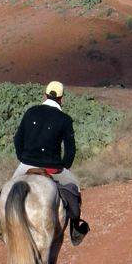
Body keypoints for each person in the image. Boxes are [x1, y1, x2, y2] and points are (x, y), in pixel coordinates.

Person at [12, 81, 89, 245]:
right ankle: (75, 229)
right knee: (74, 187)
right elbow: (70, 150)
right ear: (61, 99)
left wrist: (24, 159)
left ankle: (4, 229)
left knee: (7, 191)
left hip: (26, 165)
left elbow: (18, 140)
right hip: (53, 168)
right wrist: (63, 167)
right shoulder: (65, 119)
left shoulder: (31, 112)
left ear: (45, 96)